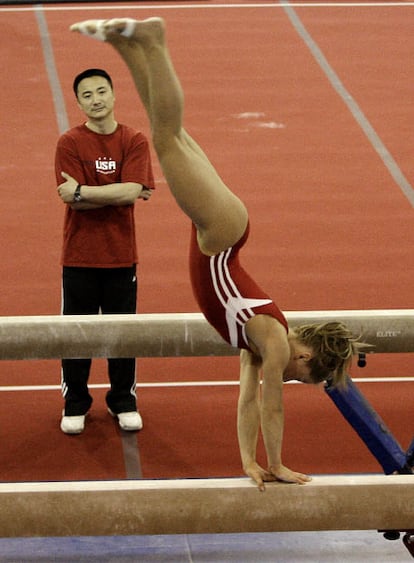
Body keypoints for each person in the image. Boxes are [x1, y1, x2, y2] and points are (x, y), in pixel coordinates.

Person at [69, 18, 360, 488]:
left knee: (172, 135)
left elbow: (247, 400)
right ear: (305, 358)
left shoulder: (261, 344)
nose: (285, 380)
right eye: (296, 378)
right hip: (220, 236)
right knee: (166, 138)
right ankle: (154, 42)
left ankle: (126, 44)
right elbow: (271, 403)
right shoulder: (275, 341)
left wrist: (249, 460)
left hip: (222, 232)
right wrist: (279, 463)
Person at [55, 67, 155, 435]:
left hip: (120, 256)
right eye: (87, 95)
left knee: (122, 334)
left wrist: (84, 190)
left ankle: (123, 400)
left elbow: (129, 192)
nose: (96, 100)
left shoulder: (134, 139)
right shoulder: (69, 142)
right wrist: (117, 190)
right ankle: (75, 402)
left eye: (101, 92)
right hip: (78, 256)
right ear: (78, 102)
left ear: (113, 95)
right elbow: (82, 200)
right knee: (75, 334)